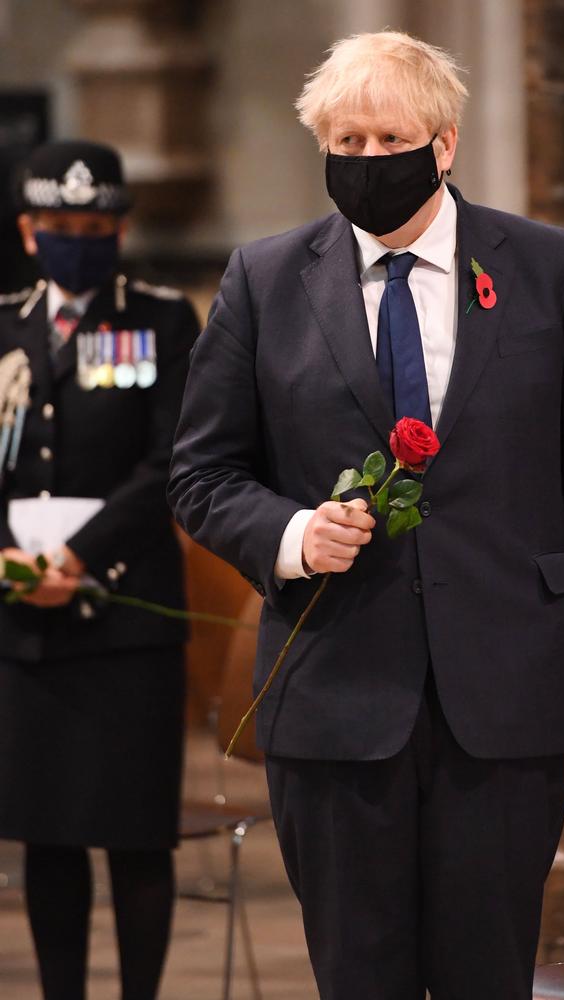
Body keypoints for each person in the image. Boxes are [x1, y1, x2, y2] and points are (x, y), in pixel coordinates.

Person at [169, 31, 564, 1000]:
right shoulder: (264, 280)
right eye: (344, 139)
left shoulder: (548, 267)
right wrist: (296, 535)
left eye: (387, 136)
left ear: (443, 143)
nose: (364, 158)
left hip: (504, 683)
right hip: (335, 690)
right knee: (359, 975)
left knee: (485, 971)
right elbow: (201, 474)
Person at [0, 140, 199, 1000]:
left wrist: (79, 555)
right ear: (28, 229)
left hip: (128, 616)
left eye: (95, 225)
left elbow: (174, 462)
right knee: (48, 834)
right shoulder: (3, 323)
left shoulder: (158, 320)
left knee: (135, 835)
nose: (79, 239)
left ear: (120, 227)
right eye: (60, 226)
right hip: (23, 621)